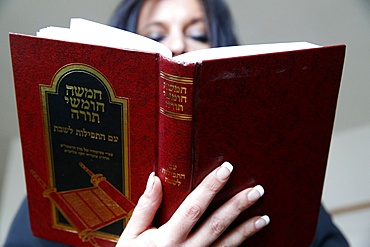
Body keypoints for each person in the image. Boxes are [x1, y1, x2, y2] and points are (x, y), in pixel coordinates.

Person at [5, 0, 349, 246]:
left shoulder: (279, 199)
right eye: (154, 35)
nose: (178, 44)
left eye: (199, 33)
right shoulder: (51, 206)